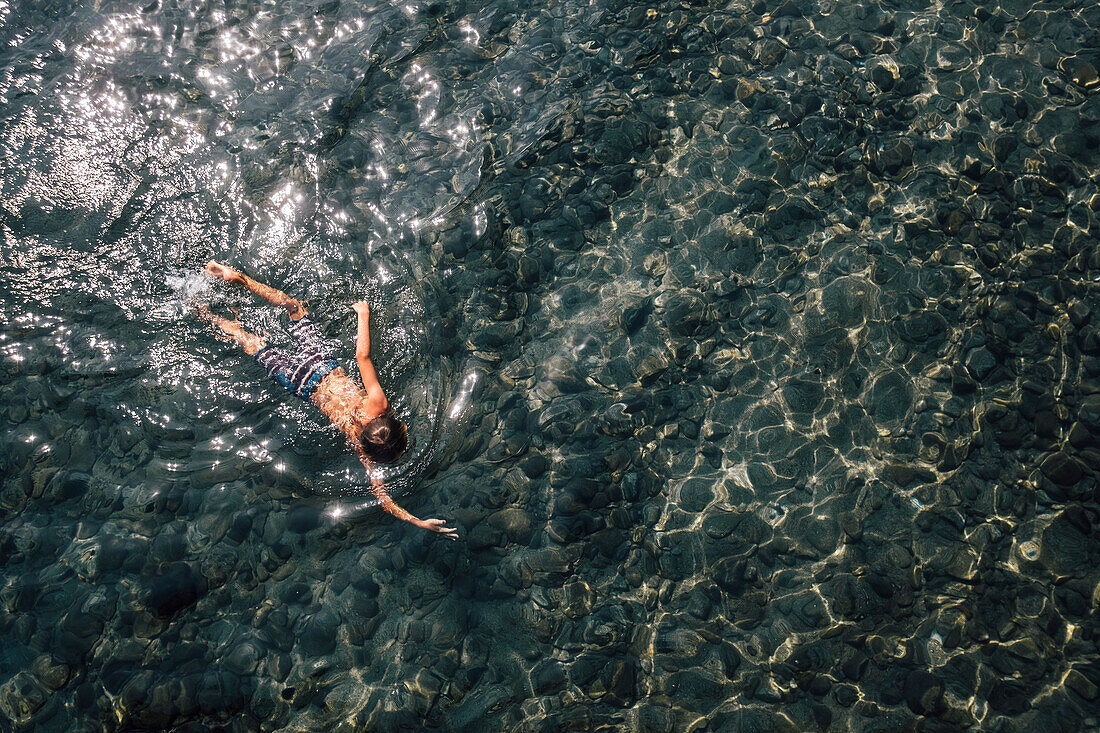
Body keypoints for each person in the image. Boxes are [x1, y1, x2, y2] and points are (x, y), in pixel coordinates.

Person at [198, 260, 457, 539]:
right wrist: (417, 522)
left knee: (293, 307)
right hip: (299, 383)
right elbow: (383, 498)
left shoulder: (378, 405)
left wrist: (363, 313)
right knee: (246, 340)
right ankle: (202, 313)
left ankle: (240, 279)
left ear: (398, 426)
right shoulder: (360, 444)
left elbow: (362, 357)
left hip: (320, 362)